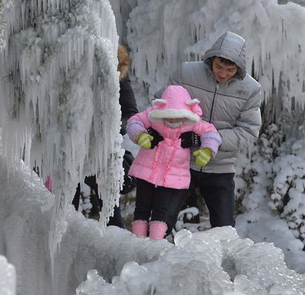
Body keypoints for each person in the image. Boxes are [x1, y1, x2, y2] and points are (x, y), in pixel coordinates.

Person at [161, 31, 262, 232]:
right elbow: (162, 107)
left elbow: (249, 131)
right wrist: (176, 131)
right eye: (219, 67)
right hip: (181, 161)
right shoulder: (186, 73)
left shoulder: (251, 89)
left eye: (230, 69)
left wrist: (206, 139)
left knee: (225, 229)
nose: (223, 73)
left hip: (220, 168)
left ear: (239, 68)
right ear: (211, 60)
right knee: (161, 220)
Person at [127, 85, 222, 239]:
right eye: (169, 115)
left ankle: (155, 243)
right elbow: (134, 121)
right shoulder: (153, 116)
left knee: (161, 209)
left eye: (178, 116)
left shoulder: (193, 122)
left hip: (172, 176)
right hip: (146, 170)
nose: (173, 120)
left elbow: (211, 133)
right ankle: (138, 241)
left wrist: (207, 150)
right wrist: (139, 135)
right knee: (142, 207)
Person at [72, 44, 139, 227]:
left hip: (101, 148)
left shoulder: (119, 74)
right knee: (67, 200)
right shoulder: (70, 69)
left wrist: (109, 129)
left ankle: (116, 246)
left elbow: (130, 113)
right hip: (68, 147)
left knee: (109, 204)